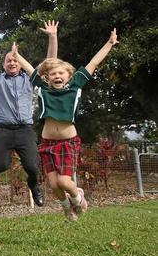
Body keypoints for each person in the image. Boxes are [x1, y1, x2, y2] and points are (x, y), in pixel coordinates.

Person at [12, 28, 118, 220]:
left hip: (68, 141)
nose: (57, 76)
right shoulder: (44, 87)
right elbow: (30, 69)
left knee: (64, 181)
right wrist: (16, 56)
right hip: (47, 143)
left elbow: (94, 62)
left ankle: (78, 200)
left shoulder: (76, 84)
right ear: (48, 78)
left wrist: (110, 43)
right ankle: (66, 207)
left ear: (69, 75)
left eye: (61, 73)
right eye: (53, 74)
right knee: (53, 184)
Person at [0, 21, 60, 207]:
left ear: (20, 64)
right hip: (3, 131)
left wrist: (52, 37)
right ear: (4, 64)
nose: (12, 62)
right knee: (1, 165)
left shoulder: (30, 79)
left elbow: (49, 64)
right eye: (8, 60)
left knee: (32, 166)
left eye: (15, 60)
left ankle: (33, 185)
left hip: (24, 130)